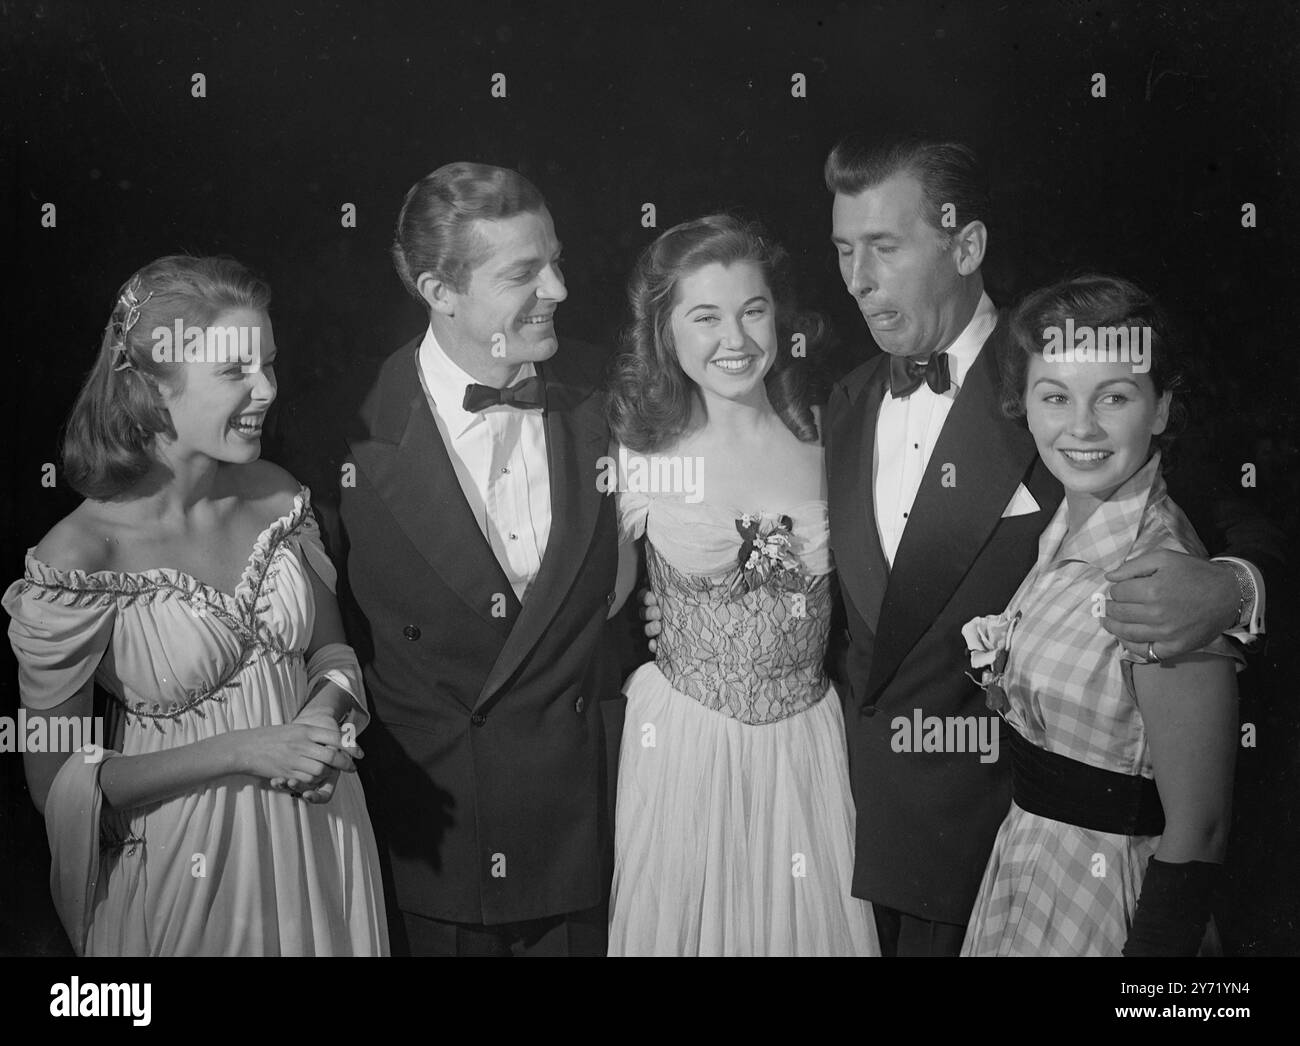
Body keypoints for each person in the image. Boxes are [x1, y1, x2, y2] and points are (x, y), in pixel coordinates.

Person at [642, 135, 1274, 956]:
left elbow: (1243, 521)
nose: (858, 280)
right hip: (840, 828)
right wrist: (686, 621)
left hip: (1008, 848)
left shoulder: (1064, 365)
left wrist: (1233, 587)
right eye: (842, 251)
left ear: (966, 245)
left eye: (884, 248)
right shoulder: (839, 394)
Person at [3, 255, 387, 956]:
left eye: (270, 363)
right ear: (150, 384)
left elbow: (332, 657)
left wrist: (320, 723)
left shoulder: (278, 495)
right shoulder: (77, 560)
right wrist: (246, 750)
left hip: (324, 841)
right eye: (236, 371)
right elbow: (55, 781)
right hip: (189, 877)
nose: (267, 389)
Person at [336, 163, 622, 956]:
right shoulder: (345, 429)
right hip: (438, 846)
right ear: (440, 289)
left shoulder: (614, 392)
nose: (559, 288)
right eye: (525, 272)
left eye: (556, 260)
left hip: (590, 835)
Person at [605, 215, 878, 955]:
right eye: (706, 316)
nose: (736, 339)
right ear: (663, 331)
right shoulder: (639, 453)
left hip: (808, 751)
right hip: (685, 749)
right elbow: (597, 603)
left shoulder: (831, 434)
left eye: (753, 311)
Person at [961, 275, 1240, 955]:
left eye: (1113, 397)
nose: (1080, 427)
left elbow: (1199, 829)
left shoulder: (1161, 580)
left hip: (1109, 901)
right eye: (1055, 397)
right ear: (1023, 405)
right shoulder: (1064, 525)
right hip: (1029, 872)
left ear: (1161, 408)